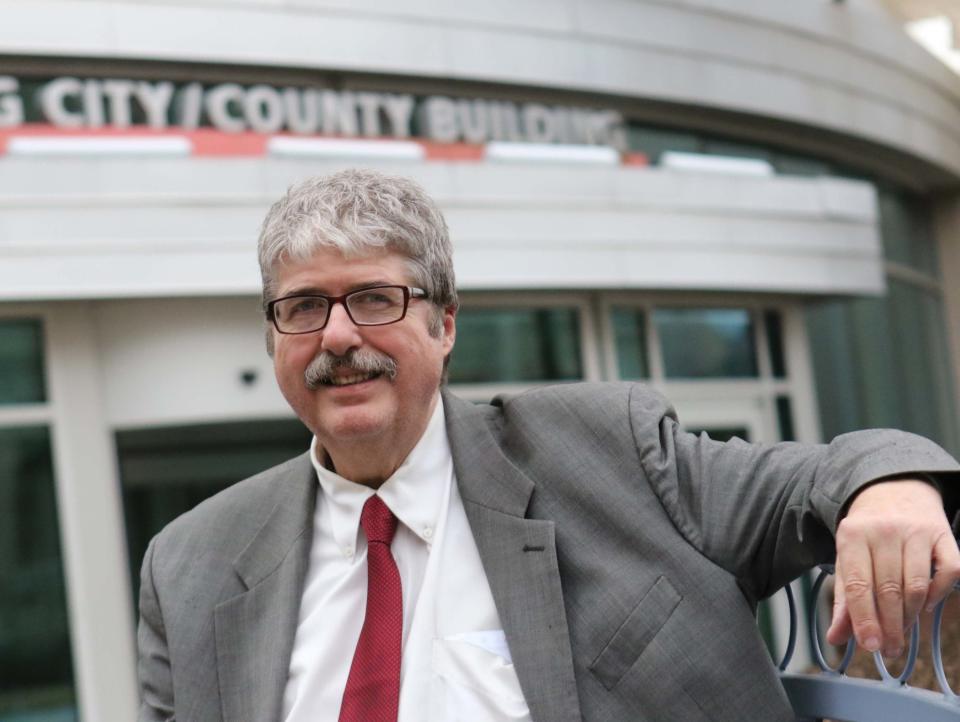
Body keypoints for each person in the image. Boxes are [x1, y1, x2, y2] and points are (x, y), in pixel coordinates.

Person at [137, 168, 960, 722]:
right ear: (275, 334)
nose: (340, 336)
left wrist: (888, 488)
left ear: (445, 323)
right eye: (304, 306)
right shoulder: (190, 565)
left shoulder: (606, 452)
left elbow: (808, 480)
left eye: (375, 299)